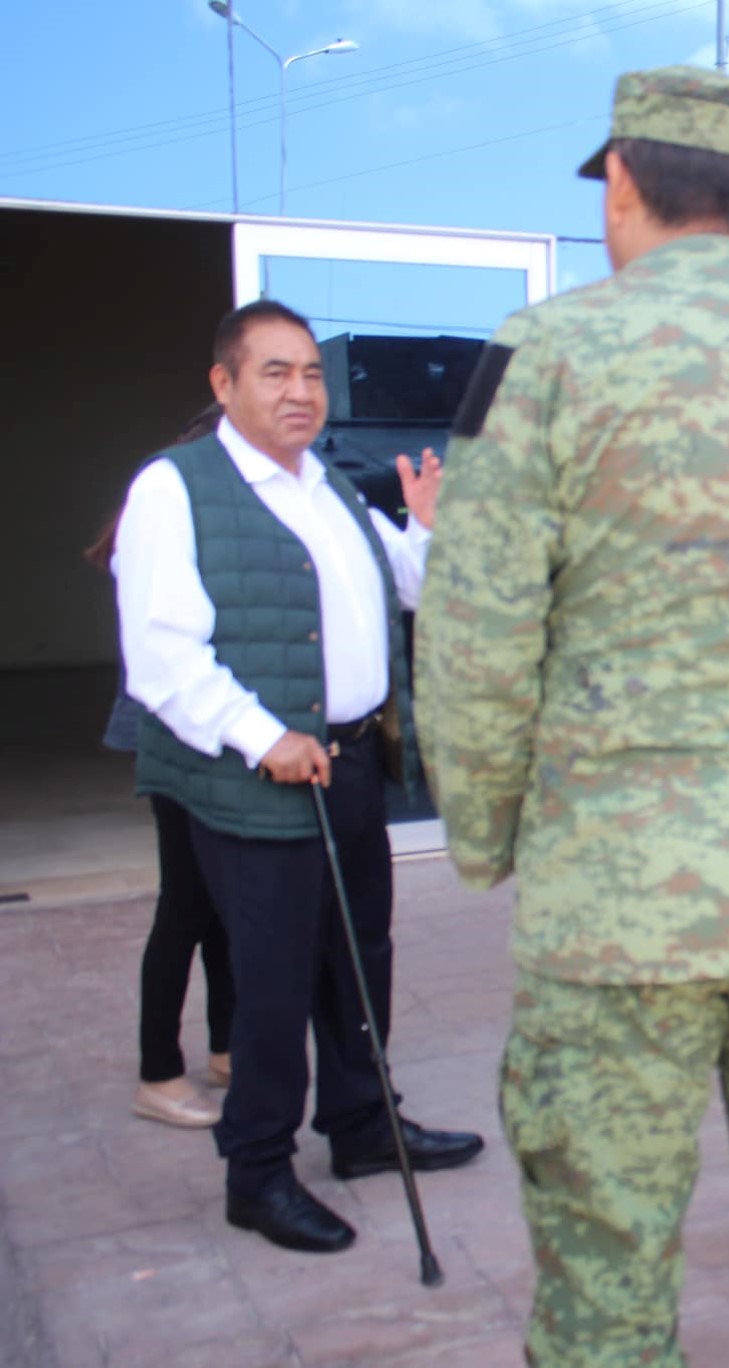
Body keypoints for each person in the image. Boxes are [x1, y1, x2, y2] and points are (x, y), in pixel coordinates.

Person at [415, 67, 729, 1368]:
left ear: (626, 186)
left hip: (613, 916)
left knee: (605, 1270)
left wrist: (484, 836)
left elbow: (477, 641)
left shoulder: (538, 357)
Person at [111, 301, 484, 1255]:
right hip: (260, 779)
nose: (300, 391)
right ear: (223, 384)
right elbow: (160, 654)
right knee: (272, 983)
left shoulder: (331, 489)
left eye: (313, 373)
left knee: (360, 959)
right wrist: (257, 732)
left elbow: (402, 584)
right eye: (275, 372)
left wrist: (430, 531)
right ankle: (259, 1173)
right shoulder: (175, 488)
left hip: (353, 765)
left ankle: (362, 1128)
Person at [87, 401, 237, 1130]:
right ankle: (157, 1072)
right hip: (176, 735)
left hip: (210, 736)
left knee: (217, 907)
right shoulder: (168, 508)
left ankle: (227, 1049)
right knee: (186, 905)